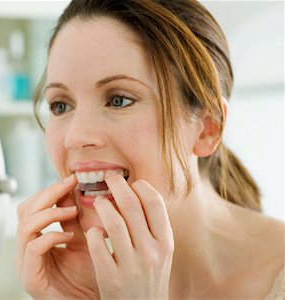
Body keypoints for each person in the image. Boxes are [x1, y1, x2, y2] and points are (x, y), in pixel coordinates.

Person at [15, 0, 285, 298]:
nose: (75, 137)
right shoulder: (76, 279)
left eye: (119, 99)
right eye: (60, 105)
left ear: (208, 128)